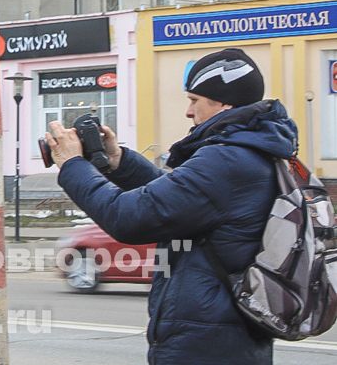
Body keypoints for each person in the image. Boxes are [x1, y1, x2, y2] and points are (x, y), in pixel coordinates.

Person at [46, 48, 298, 365]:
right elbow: (179, 197)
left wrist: (72, 165)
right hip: (230, 334)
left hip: (205, 344)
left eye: (195, 100)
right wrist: (119, 161)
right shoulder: (251, 152)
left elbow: (129, 218)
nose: (188, 112)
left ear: (224, 103)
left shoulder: (226, 159)